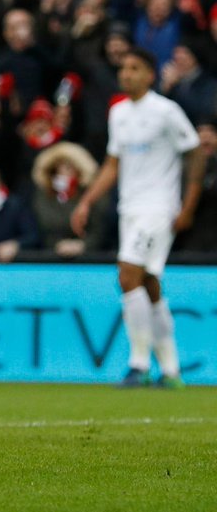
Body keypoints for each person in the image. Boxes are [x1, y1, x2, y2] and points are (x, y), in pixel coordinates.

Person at [71, 48, 202, 389]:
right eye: (124, 68)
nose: (126, 74)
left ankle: (139, 365)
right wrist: (86, 201)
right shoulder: (118, 113)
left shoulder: (166, 111)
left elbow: (196, 153)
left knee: (127, 274)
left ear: (150, 74)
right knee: (148, 283)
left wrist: (187, 207)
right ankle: (171, 370)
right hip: (129, 208)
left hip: (159, 207)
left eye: (134, 68)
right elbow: (112, 164)